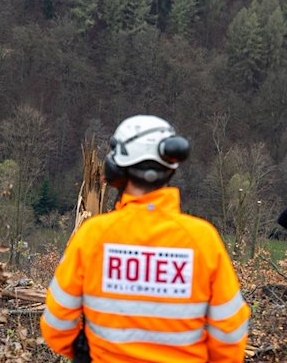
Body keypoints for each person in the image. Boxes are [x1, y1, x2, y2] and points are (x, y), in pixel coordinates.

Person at [41, 115, 250, 362]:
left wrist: (86, 353)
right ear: (171, 169)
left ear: (116, 170)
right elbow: (230, 337)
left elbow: (56, 325)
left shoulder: (93, 236)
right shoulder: (202, 240)